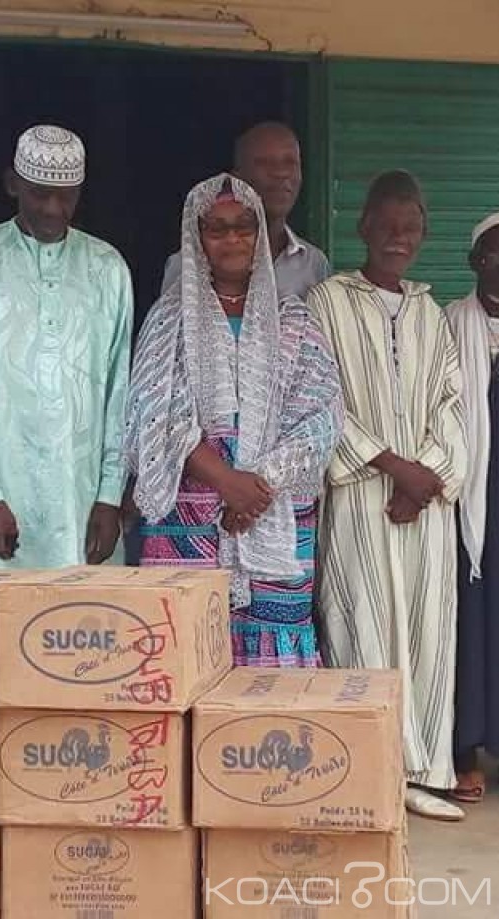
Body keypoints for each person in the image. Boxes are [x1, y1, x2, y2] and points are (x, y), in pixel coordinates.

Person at [126, 174, 342, 667]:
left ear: (260, 233)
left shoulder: (295, 319)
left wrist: (256, 487)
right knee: (184, 649)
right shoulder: (169, 319)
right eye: (217, 229)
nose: (231, 240)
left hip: (273, 508)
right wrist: (226, 481)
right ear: (196, 238)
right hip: (191, 511)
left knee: (271, 657)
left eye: (244, 227)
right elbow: (153, 413)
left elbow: (321, 417)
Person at [309, 170, 467, 822]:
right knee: (361, 623)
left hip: (421, 502)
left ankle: (423, 765)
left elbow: (453, 406)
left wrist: (426, 474)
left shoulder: (432, 313)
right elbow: (319, 398)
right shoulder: (327, 301)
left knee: (427, 629)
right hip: (360, 493)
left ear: (423, 234)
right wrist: (394, 466)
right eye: (387, 223)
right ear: (362, 226)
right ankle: (373, 767)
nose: (398, 236)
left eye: (411, 226)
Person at [0, 125, 133, 569]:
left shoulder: (107, 267)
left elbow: (121, 390)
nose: (53, 208)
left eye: (66, 196)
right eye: (39, 194)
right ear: (13, 185)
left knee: (87, 625)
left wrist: (109, 495)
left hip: (83, 500)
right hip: (3, 498)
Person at [445, 212, 499, 806]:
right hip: (470, 498)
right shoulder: (449, 325)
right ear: (474, 262)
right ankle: (465, 752)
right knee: (468, 624)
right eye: (492, 253)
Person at [161, 122, 329, 301]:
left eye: (290, 162)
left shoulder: (314, 264)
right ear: (237, 178)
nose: (281, 173)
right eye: (265, 163)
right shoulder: (189, 265)